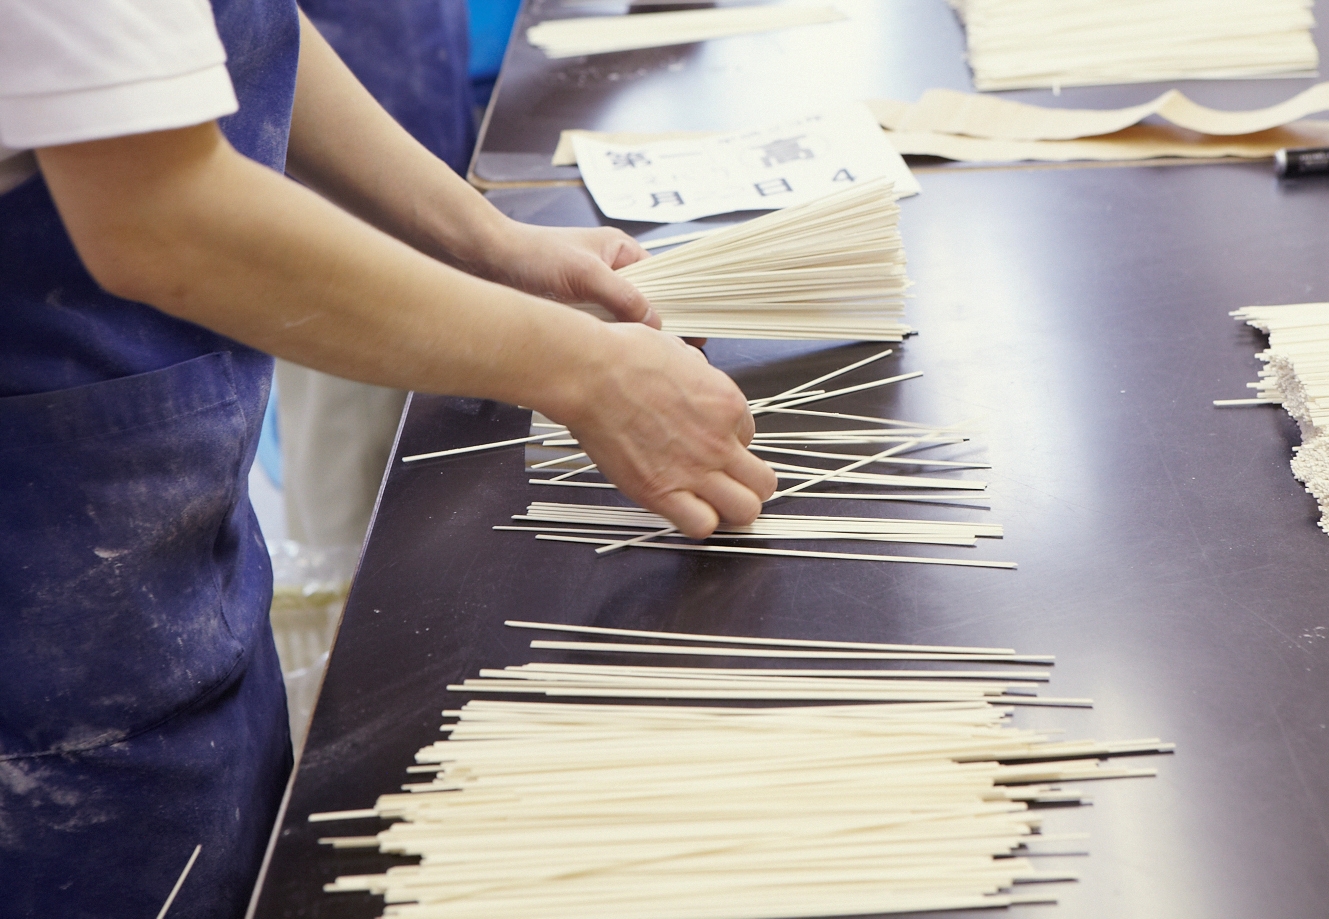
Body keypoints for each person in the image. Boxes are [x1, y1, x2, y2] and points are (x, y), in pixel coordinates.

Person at [0, 2, 776, 916]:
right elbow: (159, 215)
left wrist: (485, 241)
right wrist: (585, 371)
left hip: (140, 542)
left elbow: (234, 26)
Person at [276, 0, 477, 551]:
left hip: (417, 149)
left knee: (416, 484)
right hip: (316, 218)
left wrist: (490, 241)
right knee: (352, 500)